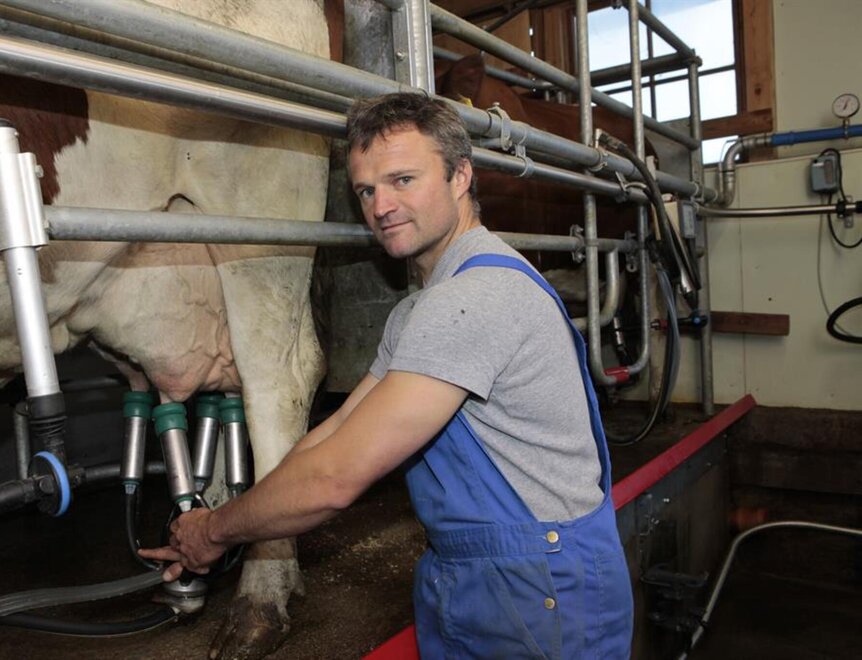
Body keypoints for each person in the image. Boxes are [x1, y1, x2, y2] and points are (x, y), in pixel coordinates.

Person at [141, 92, 634, 658]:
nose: (382, 206)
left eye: (403, 180)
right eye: (366, 190)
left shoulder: (472, 300)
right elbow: (332, 436)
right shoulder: (420, 309)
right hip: (483, 577)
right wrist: (222, 520)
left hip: (537, 590)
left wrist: (214, 531)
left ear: (460, 175)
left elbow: (335, 477)